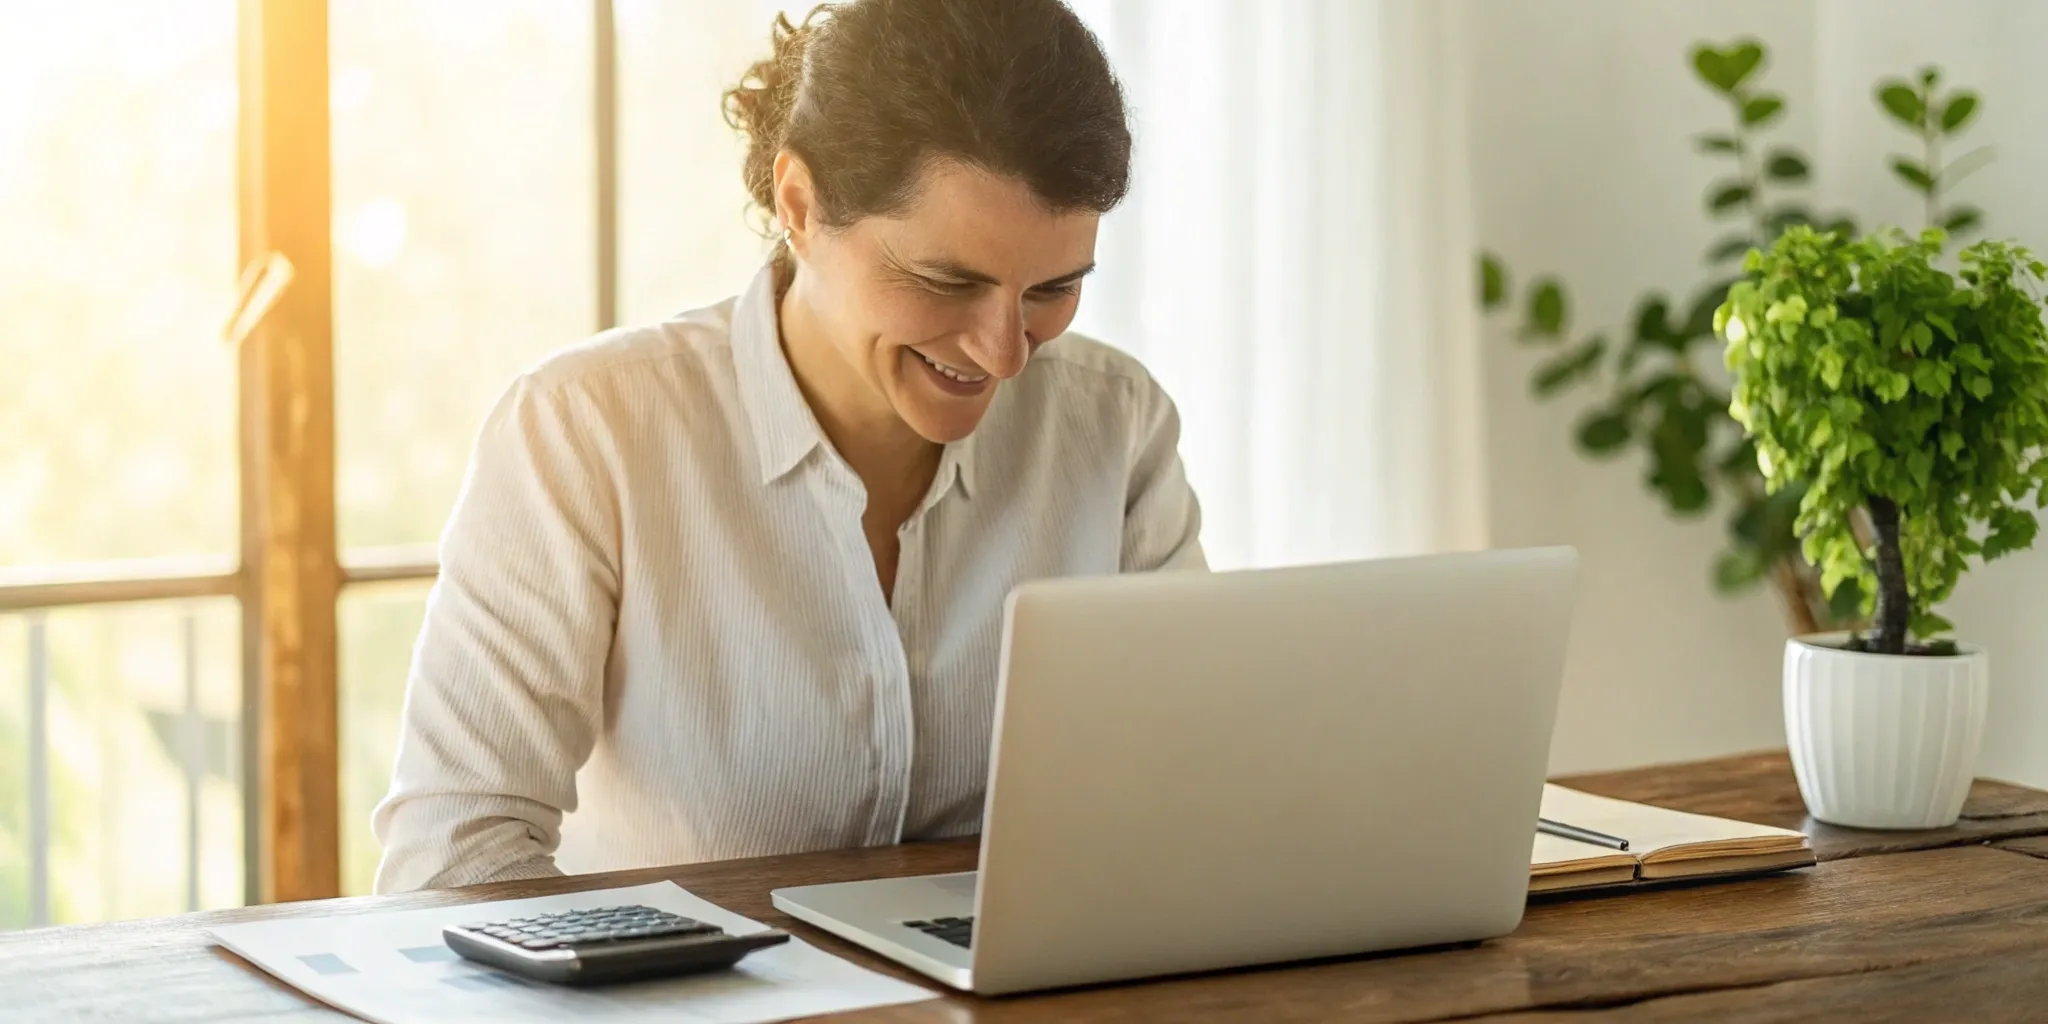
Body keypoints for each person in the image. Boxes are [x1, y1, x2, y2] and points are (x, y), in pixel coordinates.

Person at [371, 0, 1203, 893]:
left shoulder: (1116, 426)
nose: (1005, 352)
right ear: (800, 205)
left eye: (1052, 289)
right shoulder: (585, 433)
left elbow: (1194, 791)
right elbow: (451, 856)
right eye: (944, 281)